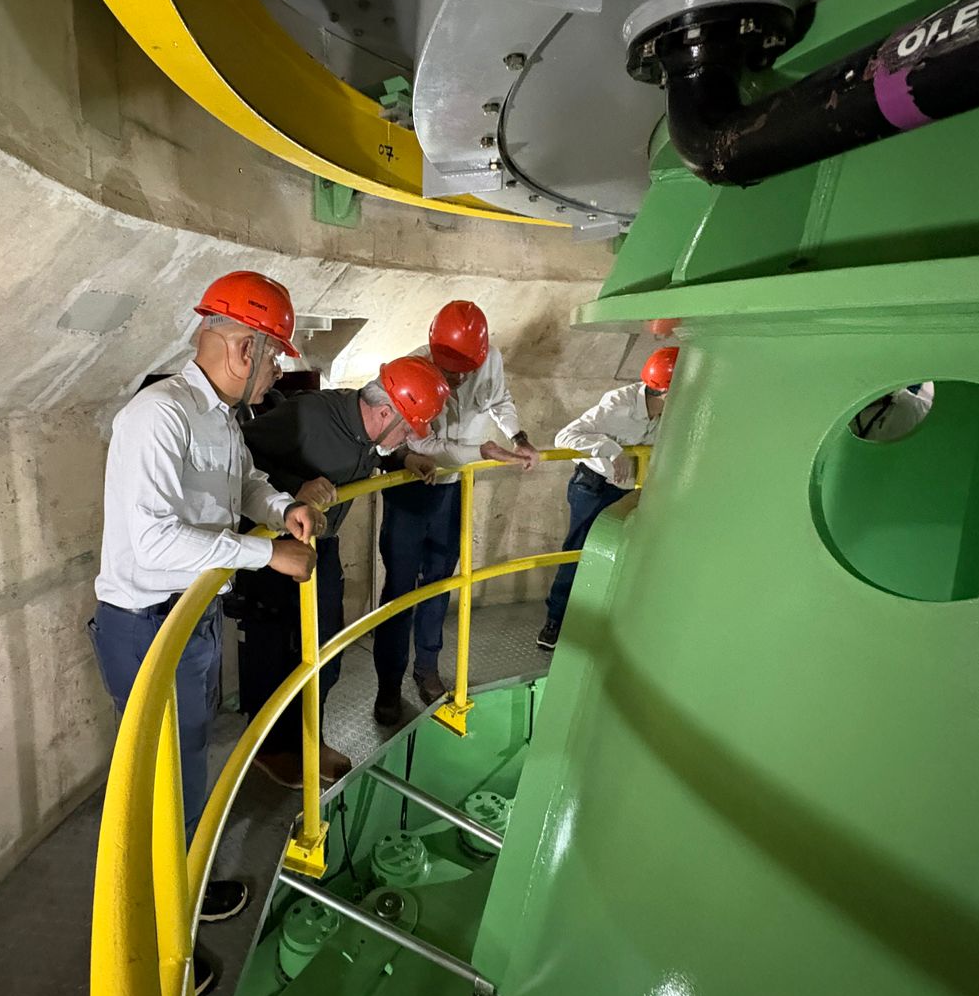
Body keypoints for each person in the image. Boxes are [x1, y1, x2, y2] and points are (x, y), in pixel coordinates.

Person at [87, 270, 324, 996]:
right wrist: (267, 554)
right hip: (147, 626)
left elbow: (242, 483)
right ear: (243, 349)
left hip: (190, 621)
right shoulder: (158, 416)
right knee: (163, 785)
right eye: (273, 356)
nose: (277, 371)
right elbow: (154, 542)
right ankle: (160, 954)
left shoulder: (217, 415)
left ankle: (184, 890)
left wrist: (280, 509)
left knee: (189, 771)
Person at [237, 356, 450, 787]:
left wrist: (403, 457)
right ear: (385, 412)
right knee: (275, 651)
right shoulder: (310, 416)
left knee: (324, 653)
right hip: (273, 547)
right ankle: (271, 750)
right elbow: (239, 450)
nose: (412, 435)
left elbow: (373, 451)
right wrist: (293, 487)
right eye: (409, 428)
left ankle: (309, 741)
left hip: (320, 543)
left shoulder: (369, 429)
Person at [371, 301, 540, 725]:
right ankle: (388, 686)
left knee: (441, 583)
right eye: (450, 370)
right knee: (399, 592)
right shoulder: (408, 369)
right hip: (412, 489)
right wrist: (481, 451)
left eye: (467, 370)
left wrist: (518, 436)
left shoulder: (490, 360)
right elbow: (410, 445)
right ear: (432, 350)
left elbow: (499, 400)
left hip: (455, 490)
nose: (459, 379)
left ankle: (427, 669)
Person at [538, 345, 679, 651]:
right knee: (577, 553)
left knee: (620, 558)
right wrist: (611, 449)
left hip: (629, 492)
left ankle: (605, 625)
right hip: (593, 487)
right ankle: (555, 622)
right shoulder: (618, 405)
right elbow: (564, 437)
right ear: (668, 392)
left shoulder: (669, 416)